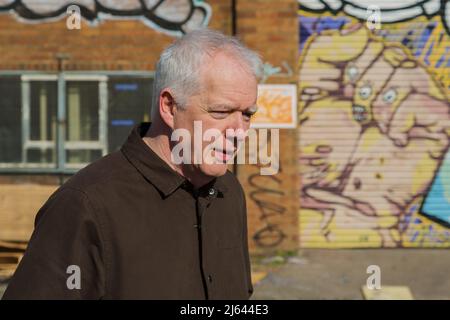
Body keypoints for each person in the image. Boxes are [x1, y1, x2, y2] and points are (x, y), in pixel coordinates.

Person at [3, 28, 262, 300]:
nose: (238, 130)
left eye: (247, 114)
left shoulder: (229, 192)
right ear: (170, 106)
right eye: (221, 111)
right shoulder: (85, 205)